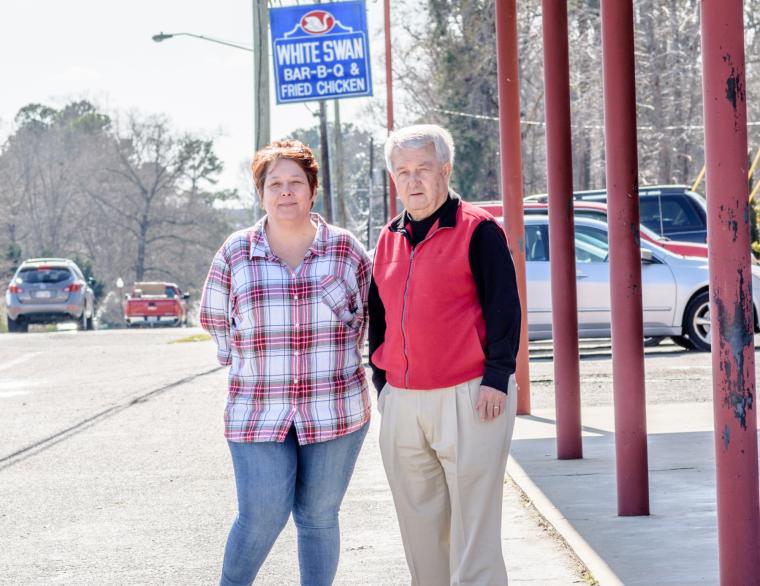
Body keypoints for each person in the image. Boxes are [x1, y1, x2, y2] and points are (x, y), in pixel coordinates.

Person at [200, 139, 371, 586]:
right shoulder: (237, 252)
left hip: (335, 410)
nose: (286, 191)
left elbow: (371, 319)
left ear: (313, 190)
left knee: (318, 517)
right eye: (274, 183)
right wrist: (248, 363)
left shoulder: (346, 252)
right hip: (258, 411)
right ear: (261, 193)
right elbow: (215, 317)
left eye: (296, 182)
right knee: (260, 516)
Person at [369, 124, 521, 585]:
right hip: (403, 400)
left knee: (473, 526)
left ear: (446, 171)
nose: (412, 181)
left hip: (470, 394)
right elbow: (380, 316)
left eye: (423, 170)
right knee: (419, 525)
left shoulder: (477, 230)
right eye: (403, 172)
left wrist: (497, 376)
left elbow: (504, 307)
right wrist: (383, 386)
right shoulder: (387, 239)